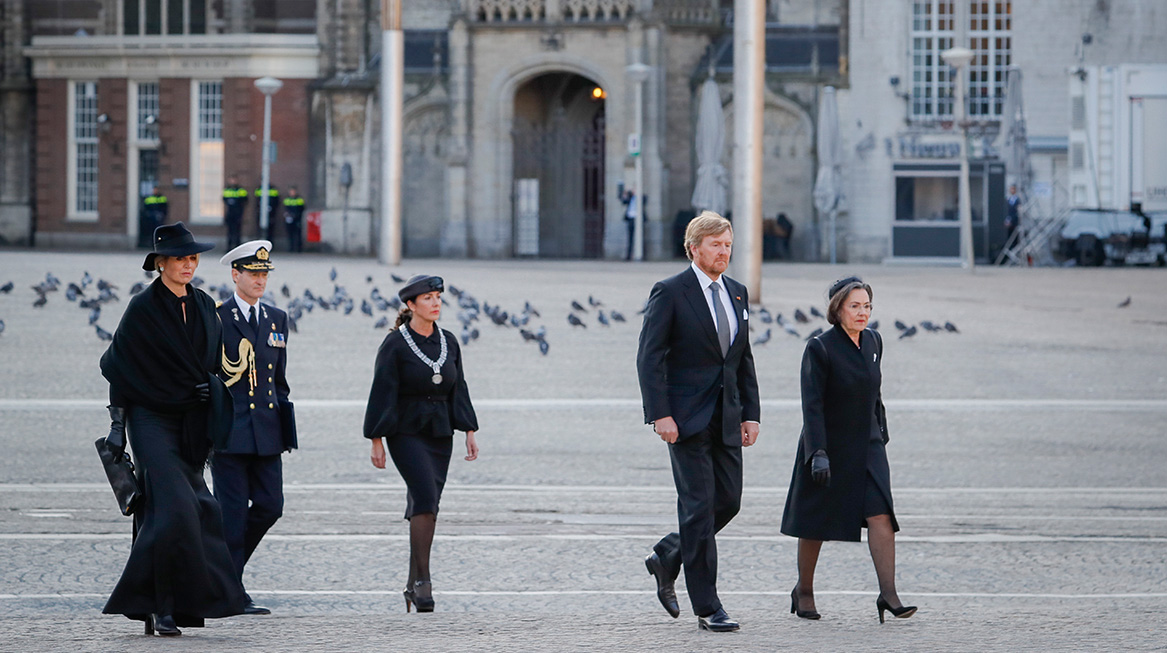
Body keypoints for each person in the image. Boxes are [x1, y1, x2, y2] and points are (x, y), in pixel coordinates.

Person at [99, 222, 245, 636]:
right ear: (160, 263)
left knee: (177, 513)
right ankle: (158, 606)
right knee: (179, 509)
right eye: (180, 258)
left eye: (193, 257)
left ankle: (159, 605)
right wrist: (117, 427)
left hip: (191, 423)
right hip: (149, 421)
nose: (188, 264)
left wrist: (209, 386)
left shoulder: (204, 305)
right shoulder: (142, 308)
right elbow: (119, 369)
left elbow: (214, 365)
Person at [636, 211, 761, 632]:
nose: (724, 252)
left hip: (727, 417)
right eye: (716, 245)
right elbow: (649, 357)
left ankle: (668, 555)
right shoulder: (670, 292)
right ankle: (709, 607)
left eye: (728, 245)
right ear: (694, 248)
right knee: (697, 508)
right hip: (685, 420)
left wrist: (751, 415)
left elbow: (742, 359)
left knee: (728, 501)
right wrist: (660, 415)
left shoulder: (738, 294)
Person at [780, 277, 916, 624]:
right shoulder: (820, 348)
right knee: (816, 522)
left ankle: (889, 594)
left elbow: (875, 390)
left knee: (881, 514)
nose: (862, 313)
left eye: (867, 306)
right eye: (855, 306)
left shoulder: (874, 341)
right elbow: (811, 406)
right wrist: (818, 452)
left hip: (868, 444)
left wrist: (881, 429)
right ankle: (804, 591)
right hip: (828, 443)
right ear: (837, 309)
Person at [363, 274, 480, 613]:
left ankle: (411, 584)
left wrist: (469, 430)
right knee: (425, 497)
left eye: (438, 297)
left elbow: (459, 388)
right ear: (411, 305)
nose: (436, 303)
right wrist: (376, 439)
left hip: (440, 433)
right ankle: (424, 582)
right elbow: (381, 391)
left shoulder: (450, 341)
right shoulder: (396, 343)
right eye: (428, 298)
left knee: (427, 505)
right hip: (406, 432)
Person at [212, 240, 297, 616]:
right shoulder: (217, 317)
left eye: (264, 274)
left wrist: (283, 423)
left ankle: (221, 574)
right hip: (230, 432)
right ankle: (232, 591)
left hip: (266, 432)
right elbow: (210, 377)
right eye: (254, 273)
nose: (261, 279)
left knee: (270, 506)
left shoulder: (277, 318)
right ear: (236, 275)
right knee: (230, 517)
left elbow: (279, 378)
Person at [223, 176, 248, 250]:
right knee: (229, 231)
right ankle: (229, 247)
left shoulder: (241, 190)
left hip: (238, 213)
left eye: (234, 180)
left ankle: (237, 246)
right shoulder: (227, 190)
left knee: (238, 231)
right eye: (231, 180)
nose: (232, 181)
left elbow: (245, 200)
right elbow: (224, 199)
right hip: (230, 213)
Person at [282, 186, 306, 252]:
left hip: (297, 219)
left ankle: (299, 249)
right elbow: (285, 208)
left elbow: (302, 209)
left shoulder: (299, 199)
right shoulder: (287, 199)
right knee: (290, 234)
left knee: (298, 234)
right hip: (289, 219)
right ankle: (291, 248)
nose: (292, 193)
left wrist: (296, 215)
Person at [622, 188, 638, 260]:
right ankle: (629, 256)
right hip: (630, 218)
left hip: (638, 219)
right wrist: (625, 195)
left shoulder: (641, 197)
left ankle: (639, 254)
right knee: (630, 238)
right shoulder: (630, 197)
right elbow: (624, 202)